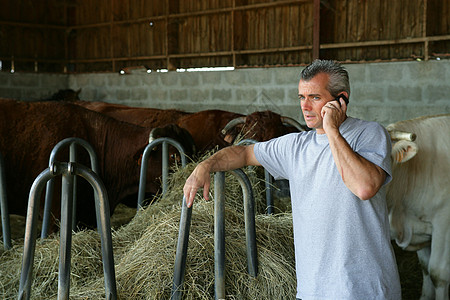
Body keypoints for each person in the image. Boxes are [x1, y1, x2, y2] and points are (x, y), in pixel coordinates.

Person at [183, 59, 401, 300]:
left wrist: (332, 131)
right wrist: (205, 166)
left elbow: (364, 186)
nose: (305, 107)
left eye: (315, 98)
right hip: (312, 291)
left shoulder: (370, 134)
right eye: (301, 97)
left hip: (366, 290)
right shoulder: (296, 146)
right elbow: (244, 153)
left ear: (342, 99)